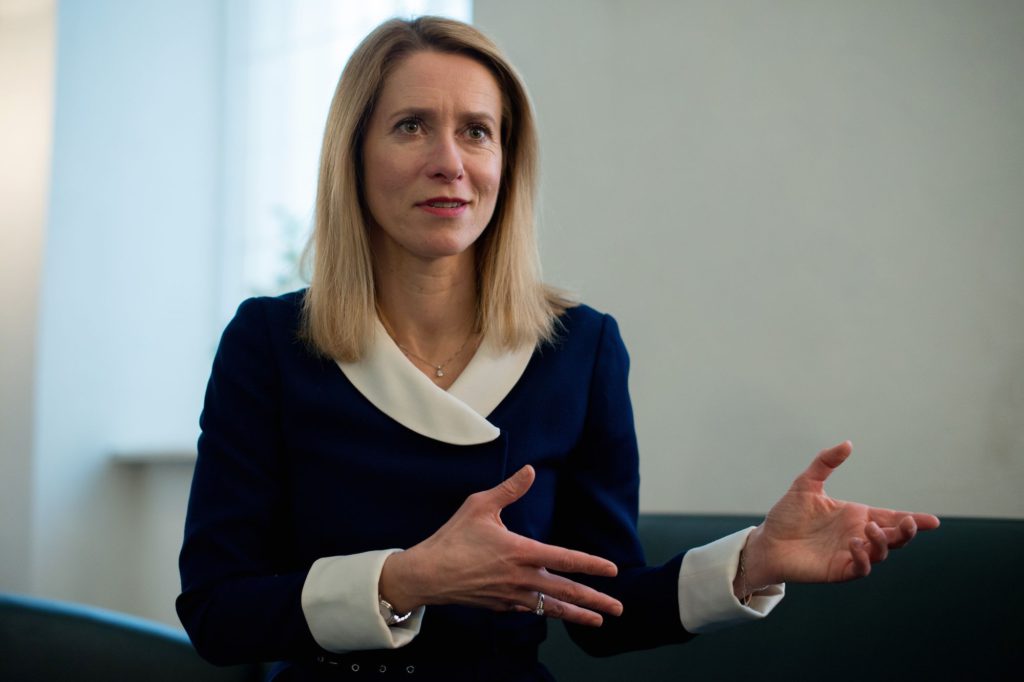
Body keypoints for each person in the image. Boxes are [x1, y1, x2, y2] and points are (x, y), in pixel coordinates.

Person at [176, 16, 939, 681]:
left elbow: (605, 609)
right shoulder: (269, 345)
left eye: (477, 131)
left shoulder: (580, 349)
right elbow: (216, 613)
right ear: (353, 154)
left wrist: (756, 560)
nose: (450, 161)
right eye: (411, 126)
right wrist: (405, 580)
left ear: (506, 163)